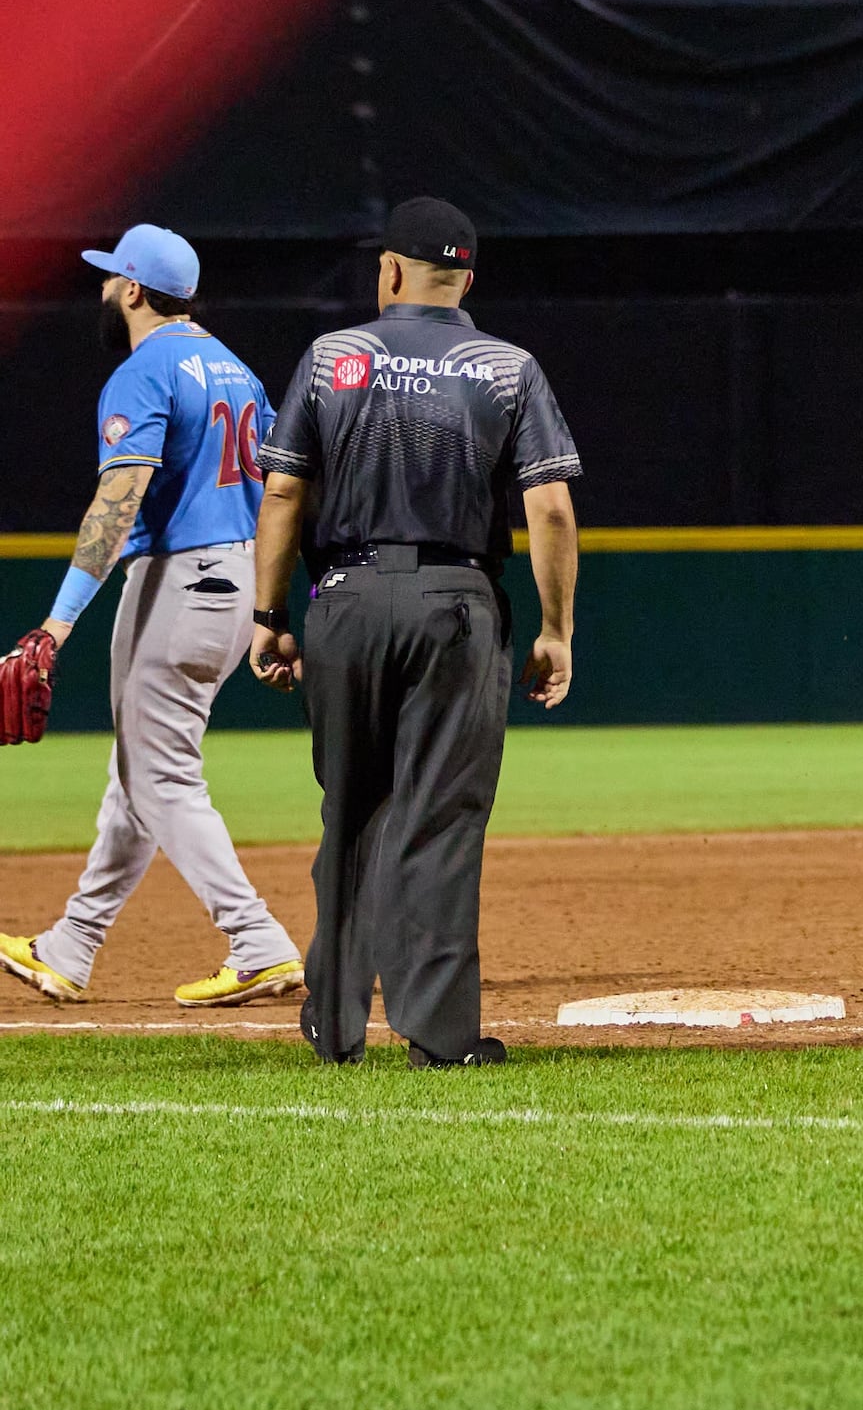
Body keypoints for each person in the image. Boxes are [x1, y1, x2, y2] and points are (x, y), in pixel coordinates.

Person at [247, 197, 580, 1069]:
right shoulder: (505, 366)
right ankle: (437, 1036)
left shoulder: (333, 358)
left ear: (390, 270)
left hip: (346, 599)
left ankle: (335, 1026)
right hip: (454, 602)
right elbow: (549, 504)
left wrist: (270, 616)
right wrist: (557, 629)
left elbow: (283, 492)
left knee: (349, 808)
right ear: (467, 276)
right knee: (440, 817)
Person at [0, 225, 305, 1008]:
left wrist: (56, 622)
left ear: (134, 289)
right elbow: (279, 493)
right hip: (234, 584)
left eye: (110, 280)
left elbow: (119, 497)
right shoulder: (236, 370)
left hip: (180, 581)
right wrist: (270, 609)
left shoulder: (146, 370)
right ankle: (72, 943)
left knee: (160, 774)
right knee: (138, 772)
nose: (102, 291)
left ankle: (257, 938)